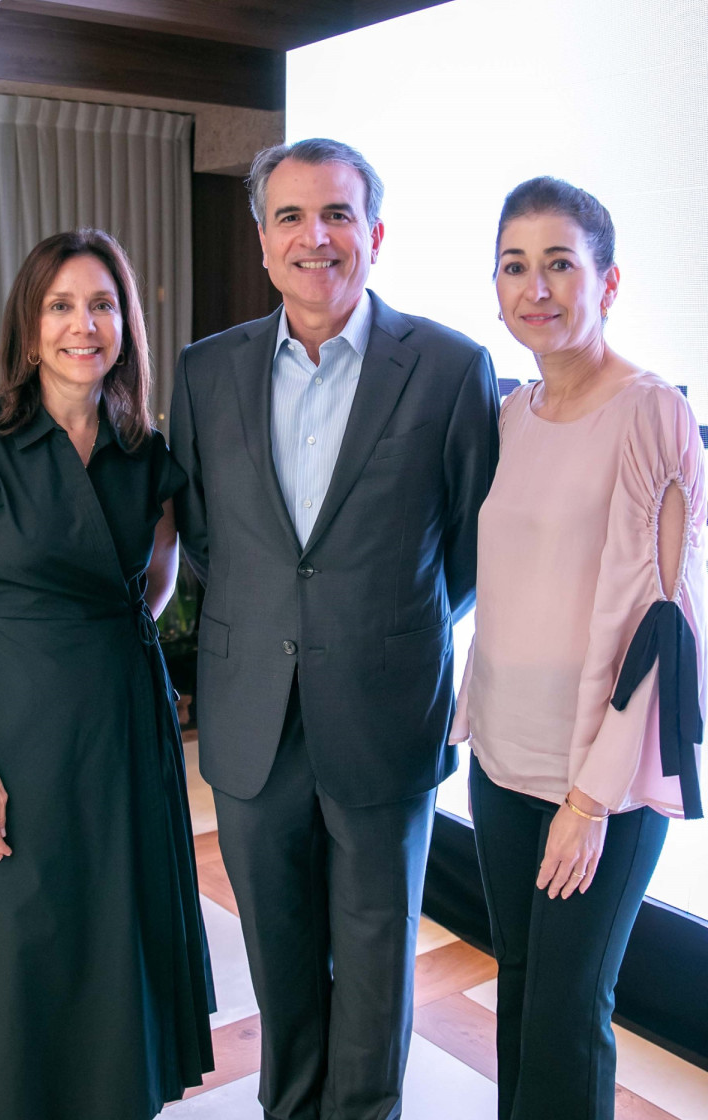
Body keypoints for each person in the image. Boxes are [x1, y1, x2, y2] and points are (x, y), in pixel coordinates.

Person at [170, 137, 500, 1120]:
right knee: (278, 959)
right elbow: (203, 535)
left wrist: (379, 631)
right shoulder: (203, 371)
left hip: (382, 711)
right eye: (290, 217)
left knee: (371, 961)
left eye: (337, 214)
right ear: (263, 243)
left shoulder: (447, 367)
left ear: (376, 232)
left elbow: (472, 546)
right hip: (249, 718)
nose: (314, 236)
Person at [0, 230, 215, 1120]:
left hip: (122, 729)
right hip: (16, 730)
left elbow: (153, 588)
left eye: (104, 305)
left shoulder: (144, 452)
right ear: (30, 325)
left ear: (126, 324)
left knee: (113, 931)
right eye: (62, 306)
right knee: (22, 935)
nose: (85, 325)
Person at [451, 177, 706, 1120]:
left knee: (566, 1012)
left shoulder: (651, 413)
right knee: (522, 989)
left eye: (561, 262)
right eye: (515, 266)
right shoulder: (511, 414)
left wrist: (590, 800)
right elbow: (508, 589)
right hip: (503, 762)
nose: (537, 287)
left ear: (608, 281)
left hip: (597, 783)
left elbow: (663, 635)